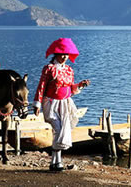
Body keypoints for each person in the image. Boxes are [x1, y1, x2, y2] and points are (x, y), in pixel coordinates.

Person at [33, 38, 90, 171]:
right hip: (51, 103)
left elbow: (71, 89)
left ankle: (55, 162)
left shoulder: (69, 70)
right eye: (62, 54)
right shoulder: (49, 69)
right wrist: (37, 104)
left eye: (66, 55)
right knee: (59, 130)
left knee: (63, 130)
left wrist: (80, 85)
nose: (64, 57)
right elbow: (41, 86)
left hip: (65, 104)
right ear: (56, 54)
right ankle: (56, 161)